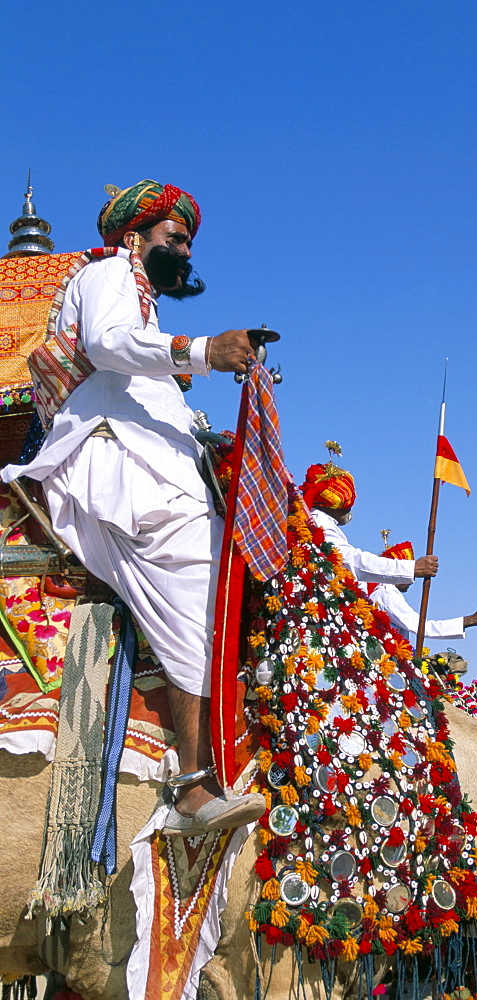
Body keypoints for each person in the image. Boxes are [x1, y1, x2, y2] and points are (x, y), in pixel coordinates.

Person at [1, 179, 266, 836]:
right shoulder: (109, 275)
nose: (183, 251)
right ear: (135, 237)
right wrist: (202, 351)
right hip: (109, 469)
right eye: (175, 239)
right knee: (202, 577)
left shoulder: (140, 299)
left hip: (136, 463)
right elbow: (109, 343)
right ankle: (194, 788)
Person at [300, 459, 438, 587]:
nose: (349, 510)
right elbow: (350, 560)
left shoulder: (321, 522)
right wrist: (412, 568)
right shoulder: (318, 523)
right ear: (335, 504)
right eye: (348, 505)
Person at [368, 539, 477, 641]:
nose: (412, 580)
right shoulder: (387, 594)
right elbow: (422, 627)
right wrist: (470, 620)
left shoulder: (384, 592)